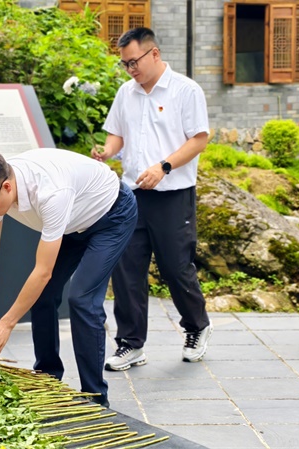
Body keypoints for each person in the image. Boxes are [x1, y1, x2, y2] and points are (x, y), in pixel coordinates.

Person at [0, 148, 137, 407]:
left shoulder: (50, 191)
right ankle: (48, 378)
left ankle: (95, 398)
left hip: (111, 215)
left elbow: (43, 272)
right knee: (42, 297)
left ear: (7, 187)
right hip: (72, 222)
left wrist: (6, 323)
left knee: (82, 299)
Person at [92, 27, 212, 371]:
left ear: (154, 53)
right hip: (131, 194)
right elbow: (117, 134)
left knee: (176, 267)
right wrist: (107, 152)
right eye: (125, 64)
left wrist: (164, 167)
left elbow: (199, 139)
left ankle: (197, 326)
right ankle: (130, 344)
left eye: (134, 62)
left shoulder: (186, 90)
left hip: (173, 195)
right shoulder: (125, 93)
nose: (130, 69)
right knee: (126, 269)